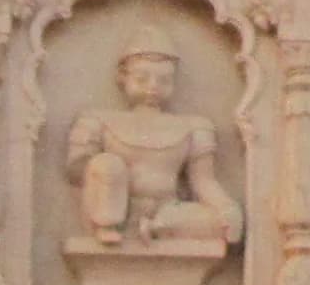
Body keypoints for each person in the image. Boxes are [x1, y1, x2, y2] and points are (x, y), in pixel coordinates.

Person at [65, 33, 243, 251]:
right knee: (106, 164)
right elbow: (77, 171)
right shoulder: (97, 120)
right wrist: (106, 169)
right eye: (142, 79)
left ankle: (155, 227)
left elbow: (203, 181)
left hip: (169, 213)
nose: (153, 86)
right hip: (112, 211)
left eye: (164, 80)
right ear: (123, 77)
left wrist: (226, 209)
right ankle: (114, 226)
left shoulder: (194, 126)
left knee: (220, 221)